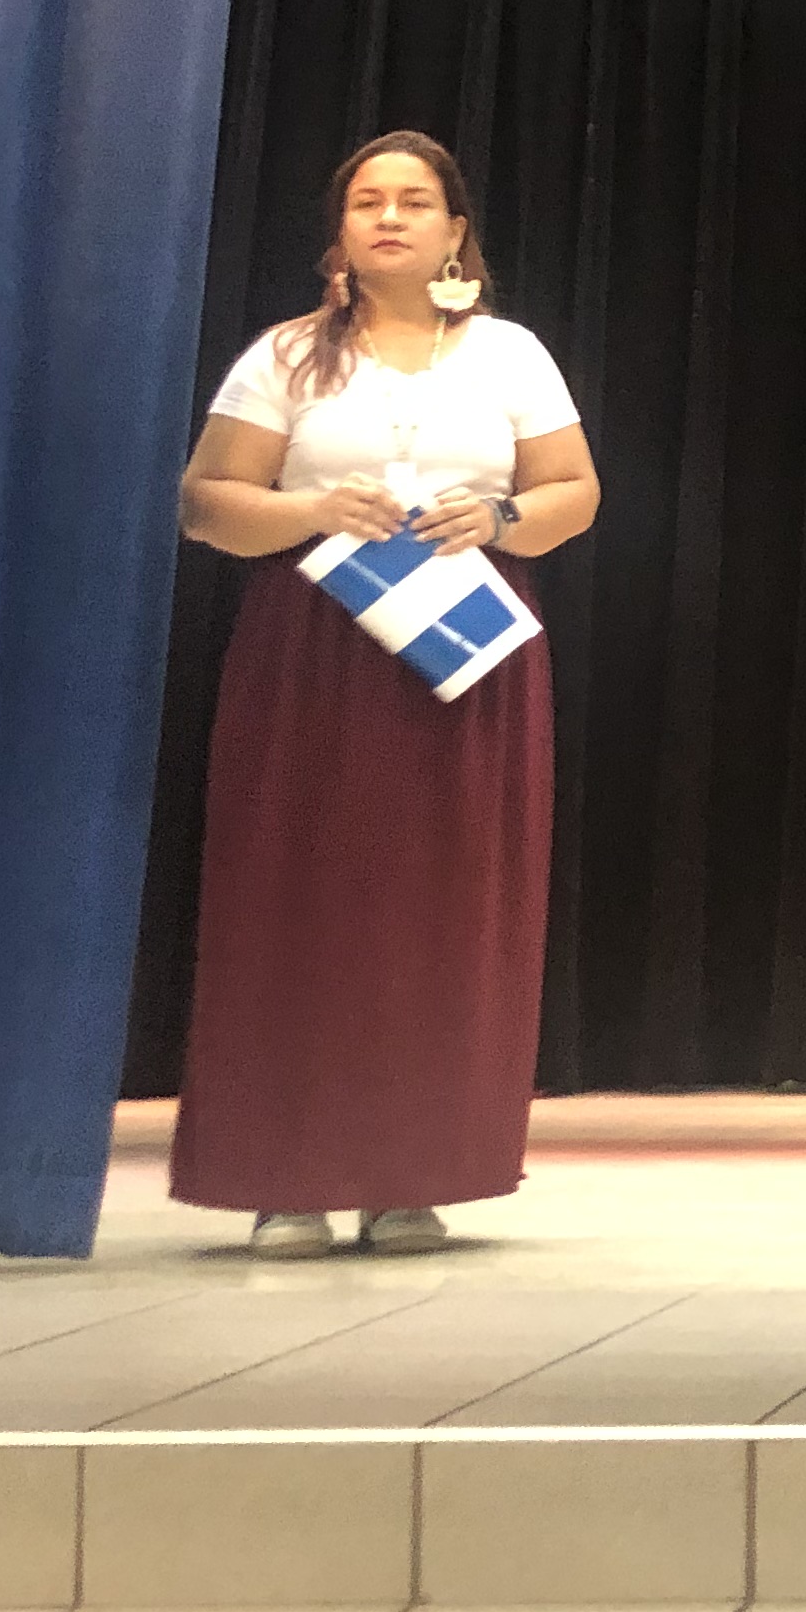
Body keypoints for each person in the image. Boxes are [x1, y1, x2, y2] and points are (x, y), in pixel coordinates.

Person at [169, 132, 601, 1260]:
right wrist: (312, 511)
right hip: (315, 652)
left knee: (443, 909)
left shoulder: (509, 356)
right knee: (296, 901)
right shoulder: (287, 358)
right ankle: (287, 1181)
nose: (391, 218)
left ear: (458, 233)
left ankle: (415, 1176)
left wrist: (501, 520)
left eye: (417, 202)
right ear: (342, 230)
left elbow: (574, 494)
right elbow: (209, 503)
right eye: (368, 200)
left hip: (468, 659)